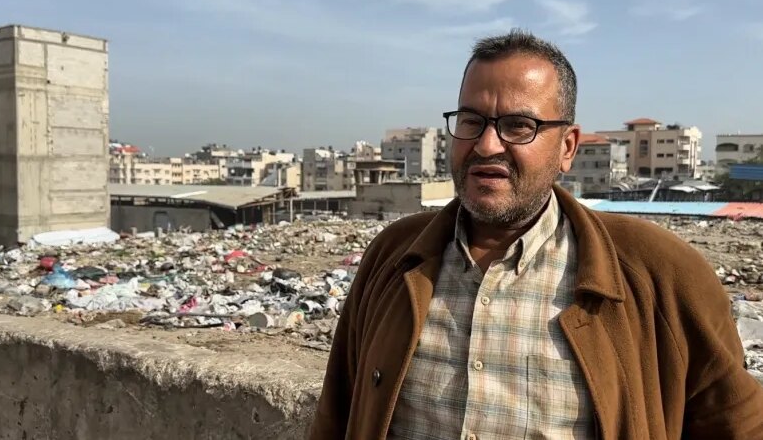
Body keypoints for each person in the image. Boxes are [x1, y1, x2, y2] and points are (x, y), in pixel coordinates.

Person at [309, 29, 763, 440]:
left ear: (567, 147)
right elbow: (337, 412)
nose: (487, 145)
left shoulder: (659, 272)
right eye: (471, 121)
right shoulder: (393, 257)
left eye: (518, 126)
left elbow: (735, 422)